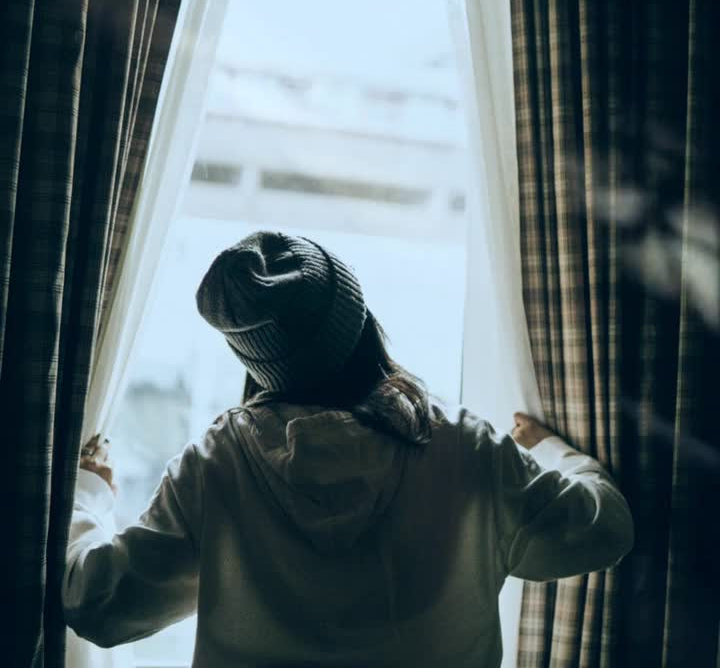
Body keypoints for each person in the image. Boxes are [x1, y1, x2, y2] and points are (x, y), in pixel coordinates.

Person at [63, 231, 634, 667]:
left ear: (257, 364)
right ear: (360, 324)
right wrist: (554, 450)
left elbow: (101, 606)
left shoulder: (215, 466)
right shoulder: (468, 449)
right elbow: (604, 530)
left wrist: (89, 493)